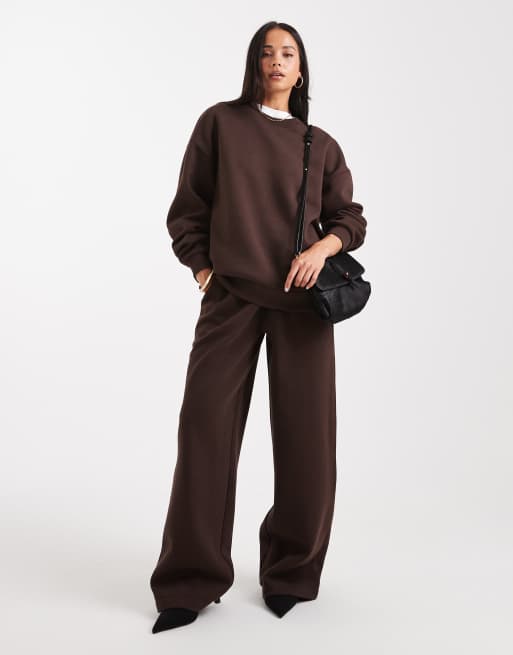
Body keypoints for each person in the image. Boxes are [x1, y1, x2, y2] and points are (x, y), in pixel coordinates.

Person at [149, 20, 367, 633]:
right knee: (205, 431)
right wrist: (202, 268)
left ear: (300, 70)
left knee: (307, 440)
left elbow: (350, 217)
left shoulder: (319, 143)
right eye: (267, 52)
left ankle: (292, 574)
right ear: (254, 63)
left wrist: (322, 247)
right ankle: (189, 580)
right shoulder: (219, 123)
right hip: (231, 297)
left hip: (302, 304)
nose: (277, 61)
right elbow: (188, 207)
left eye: (288, 53)